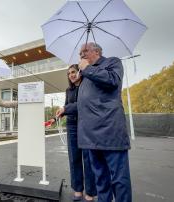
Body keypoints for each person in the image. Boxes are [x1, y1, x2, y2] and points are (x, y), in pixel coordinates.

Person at [56, 42, 132, 202]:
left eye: (84, 51)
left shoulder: (112, 62)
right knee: (101, 181)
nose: (81, 55)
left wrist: (87, 69)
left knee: (119, 180)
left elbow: (112, 80)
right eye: (80, 53)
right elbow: (85, 102)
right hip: (90, 138)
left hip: (110, 134)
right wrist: (65, 109)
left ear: (96, 51)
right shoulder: (85, 77)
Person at [57, 64, 97, 201]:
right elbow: (67, 107)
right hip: (72, 126)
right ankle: (78, 189)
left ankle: (90, 192)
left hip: (86, 126)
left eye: (73, 72)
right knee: (74, 159)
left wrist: (66, 108)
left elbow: (82, 104)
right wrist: (60, 113)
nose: (71, 75)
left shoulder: (88, 86)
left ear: (80, 71)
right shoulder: (68, 90)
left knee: (88, 159)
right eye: (69, 74)